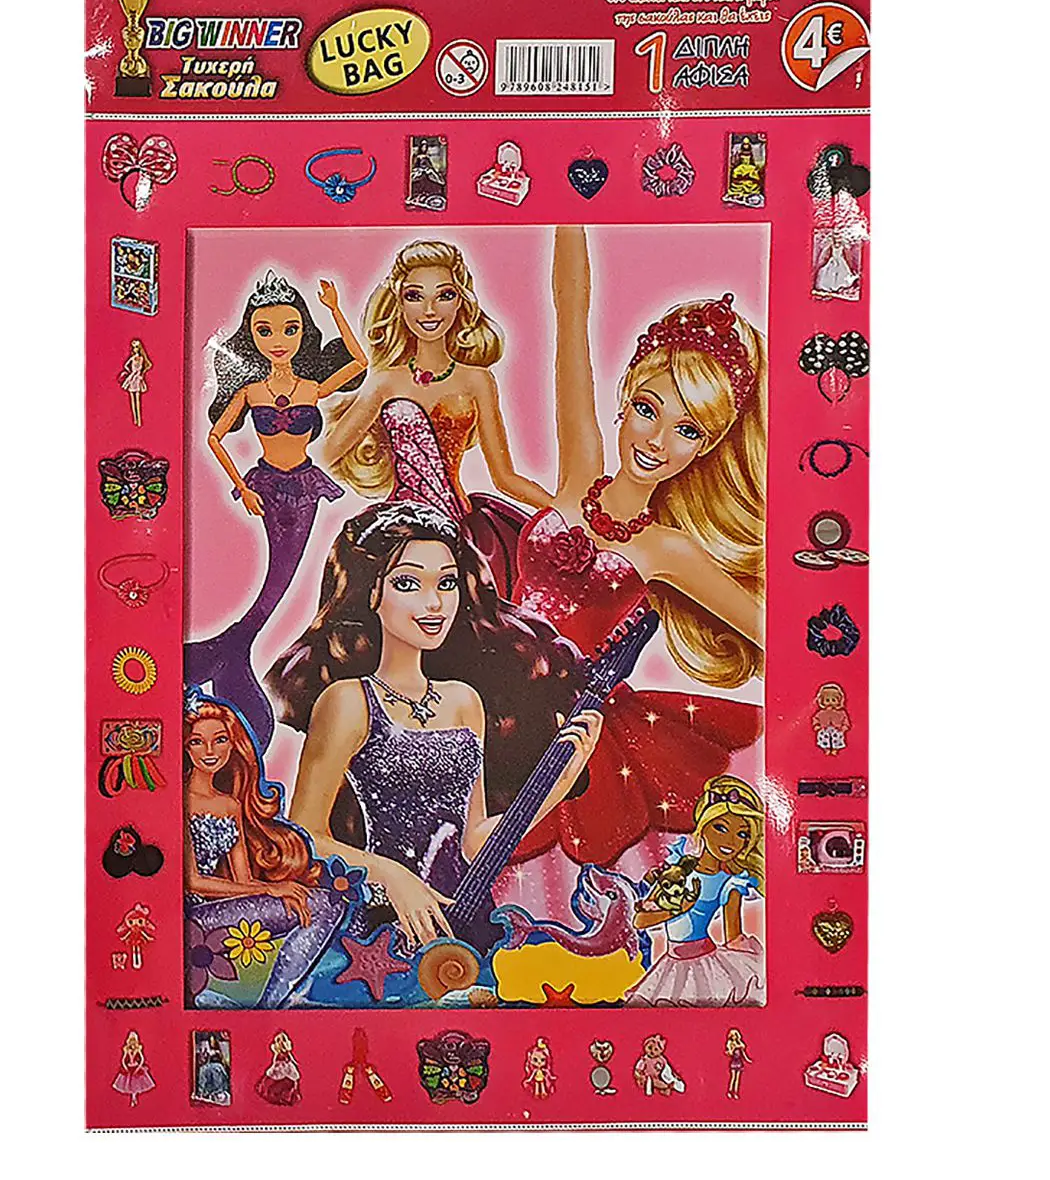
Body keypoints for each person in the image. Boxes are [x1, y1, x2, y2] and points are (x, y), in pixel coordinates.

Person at [504, 226, 766, 868]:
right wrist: (570, 208)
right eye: (649, 409)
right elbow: (570, 314)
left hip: (562, 730)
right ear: (624, 398)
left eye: (687, 430)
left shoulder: (668, 551)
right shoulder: (580, 470)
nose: (656, 441)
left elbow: (775, 632)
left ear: (704, 449)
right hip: (481, 687)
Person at [267, 500, 598, 947]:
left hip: (466, 917)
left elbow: (474, 841)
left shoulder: (463, 701)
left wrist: (559, 783)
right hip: (384, 925)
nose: (434, 603)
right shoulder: (349, 701)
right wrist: (391, 875)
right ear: (372, 593)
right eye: (408, 583)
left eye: (446, 583)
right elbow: (305, 835)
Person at [185, 271, 365, 728]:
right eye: (265, 331)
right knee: (273, 577)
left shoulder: (310, 388)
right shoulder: (251, 391)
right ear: (252, 336)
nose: (278, 340)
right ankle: (228, 652)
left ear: (303, 331)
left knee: (281, 577)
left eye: (290, 329)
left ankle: (228, 650)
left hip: (303, 487)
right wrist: (242, 486)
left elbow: (358, 362)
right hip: (265, 485)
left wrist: (335, 309)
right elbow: (214, 437)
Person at [320, 240, 551, 521]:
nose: (429, 310)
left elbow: (504, 477)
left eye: (445, 295)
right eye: (415, 296)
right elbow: (325, 456)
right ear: (400, 304)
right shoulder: (386, 382)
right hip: (400, 524)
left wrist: (561, 510)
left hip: (455, 520)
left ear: (460, 302)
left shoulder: (477, 380)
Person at [626, 775, 766, 1007]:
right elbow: (640, 921)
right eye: (720, 828)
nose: (731, 841)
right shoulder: (677, 869)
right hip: (670, 963)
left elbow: (733, 937)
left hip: (706, 964)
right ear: (703, 827)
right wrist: (679, 910)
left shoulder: (731, 882)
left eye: (742, 834)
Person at [184, 690, 319, 925]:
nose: (210, 751)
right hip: (187, 915)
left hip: (224, 906)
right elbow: (191, 882)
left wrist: (278, 889)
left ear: (233, 744)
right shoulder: (182, 801)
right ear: (185, 748)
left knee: (314, 902)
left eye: (220, 740)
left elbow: (243, 880)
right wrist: (267, 890)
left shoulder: (230, 805)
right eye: (197, 742)